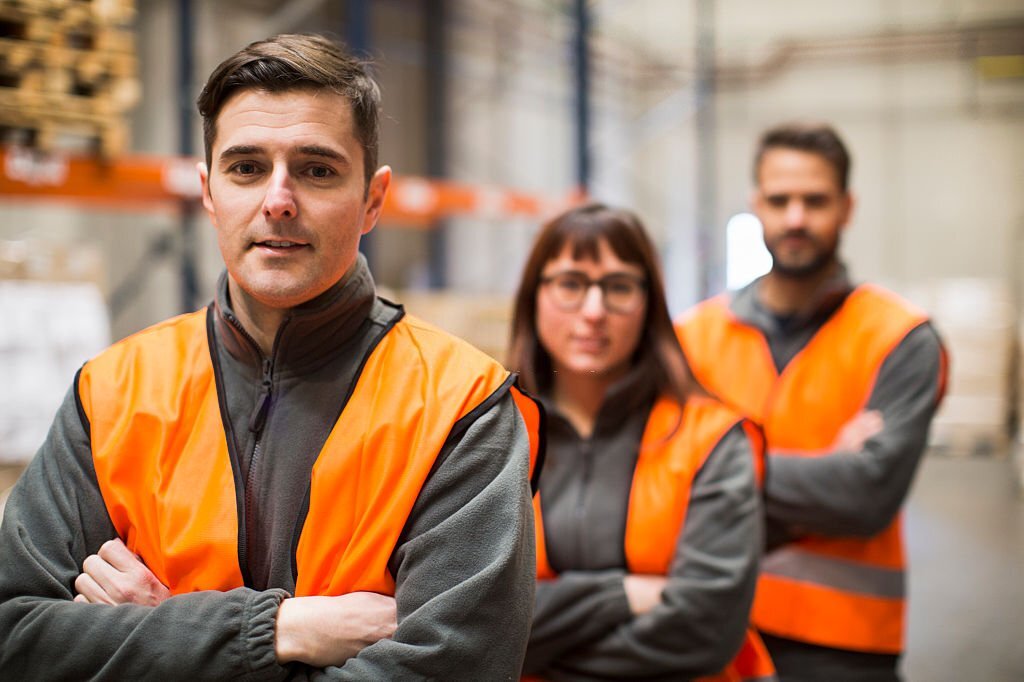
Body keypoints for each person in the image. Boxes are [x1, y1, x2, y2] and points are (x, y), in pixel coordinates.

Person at [0, 34, 543, 681]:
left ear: (373, 198)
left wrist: (161, 627)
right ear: (208, 191)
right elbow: (18, 638)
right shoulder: (113, 392)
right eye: (246, 168)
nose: (278, 200)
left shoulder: (462, 407)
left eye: (317, 170)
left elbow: (453, 669)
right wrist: (280, 630)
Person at [676, 122, 948, 681]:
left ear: (847, 208)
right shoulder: (692, 337)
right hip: (708, 624)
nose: (795, 218)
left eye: (815, 200)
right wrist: (827, 470)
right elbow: (652, 475)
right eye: (779, 200)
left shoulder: (900, 338)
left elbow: (865, 497)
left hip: (843, 642)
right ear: (756, 206)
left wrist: (710, 474)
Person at [509, 203, 775, 682]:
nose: (594, 312)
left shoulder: (711, 439)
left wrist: (522, 651)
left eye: (618, 287)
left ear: (649, 303)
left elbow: (705, 629)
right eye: (571, 284)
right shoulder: (490, 437)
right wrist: (626, 595)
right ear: (534, 296)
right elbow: (461, 612)